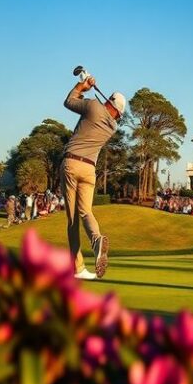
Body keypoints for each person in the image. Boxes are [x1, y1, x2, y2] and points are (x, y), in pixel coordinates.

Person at [60, 67, 125, 280]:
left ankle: (78, 267)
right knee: (86, 212)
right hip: (89, 170)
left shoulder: (94, 107)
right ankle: (96, 241)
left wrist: (82, 86)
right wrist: (88, 87)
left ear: (109, 102)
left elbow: (69, 101)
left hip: (71, 164)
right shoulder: (112, 127)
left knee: (72, 220)